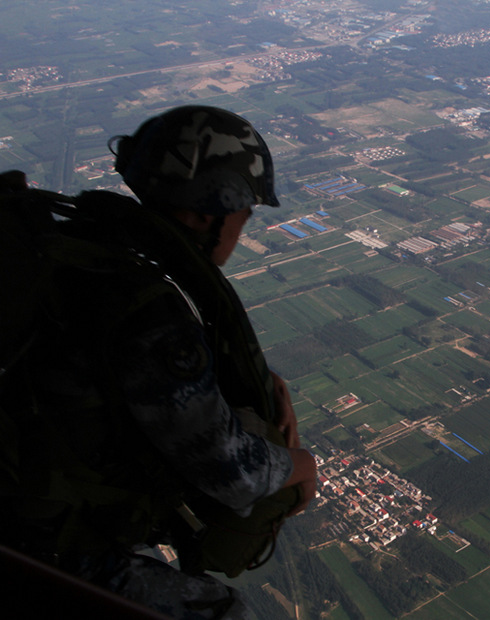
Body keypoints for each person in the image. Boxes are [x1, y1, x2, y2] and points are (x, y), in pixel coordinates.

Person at [0, 106, 318, 619]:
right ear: (208, 213)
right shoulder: (146, 308)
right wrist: (303, 466)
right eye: (244, 214)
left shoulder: (82, 245)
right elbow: (234, 473)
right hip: (37, 541)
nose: (242, 227)